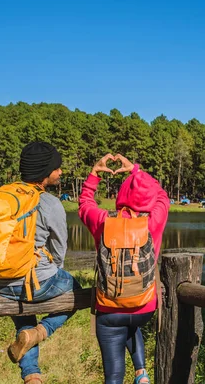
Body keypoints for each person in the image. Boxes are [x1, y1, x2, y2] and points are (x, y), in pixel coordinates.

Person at [0, 141, 82, 384]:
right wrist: (53, 271)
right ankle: (42, 331)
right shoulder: (49, 203)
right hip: (37, 281)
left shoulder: (2, 195)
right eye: (57, 168)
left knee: (23, 315)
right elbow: (59, 249)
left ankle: (32, 377)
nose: (60, 172)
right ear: (44, 172)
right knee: (79, 292)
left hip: (0, 282)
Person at [79, 153, 169, 384]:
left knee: (114, 377)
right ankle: (142, 373)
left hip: (110, 310)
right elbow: (161, 195)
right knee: (131, 324)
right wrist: (136, 171)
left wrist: (93, 175)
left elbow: (85, 203)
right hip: (144, 308)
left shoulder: (102, 221)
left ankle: (138, 373)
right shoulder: (154, 221)